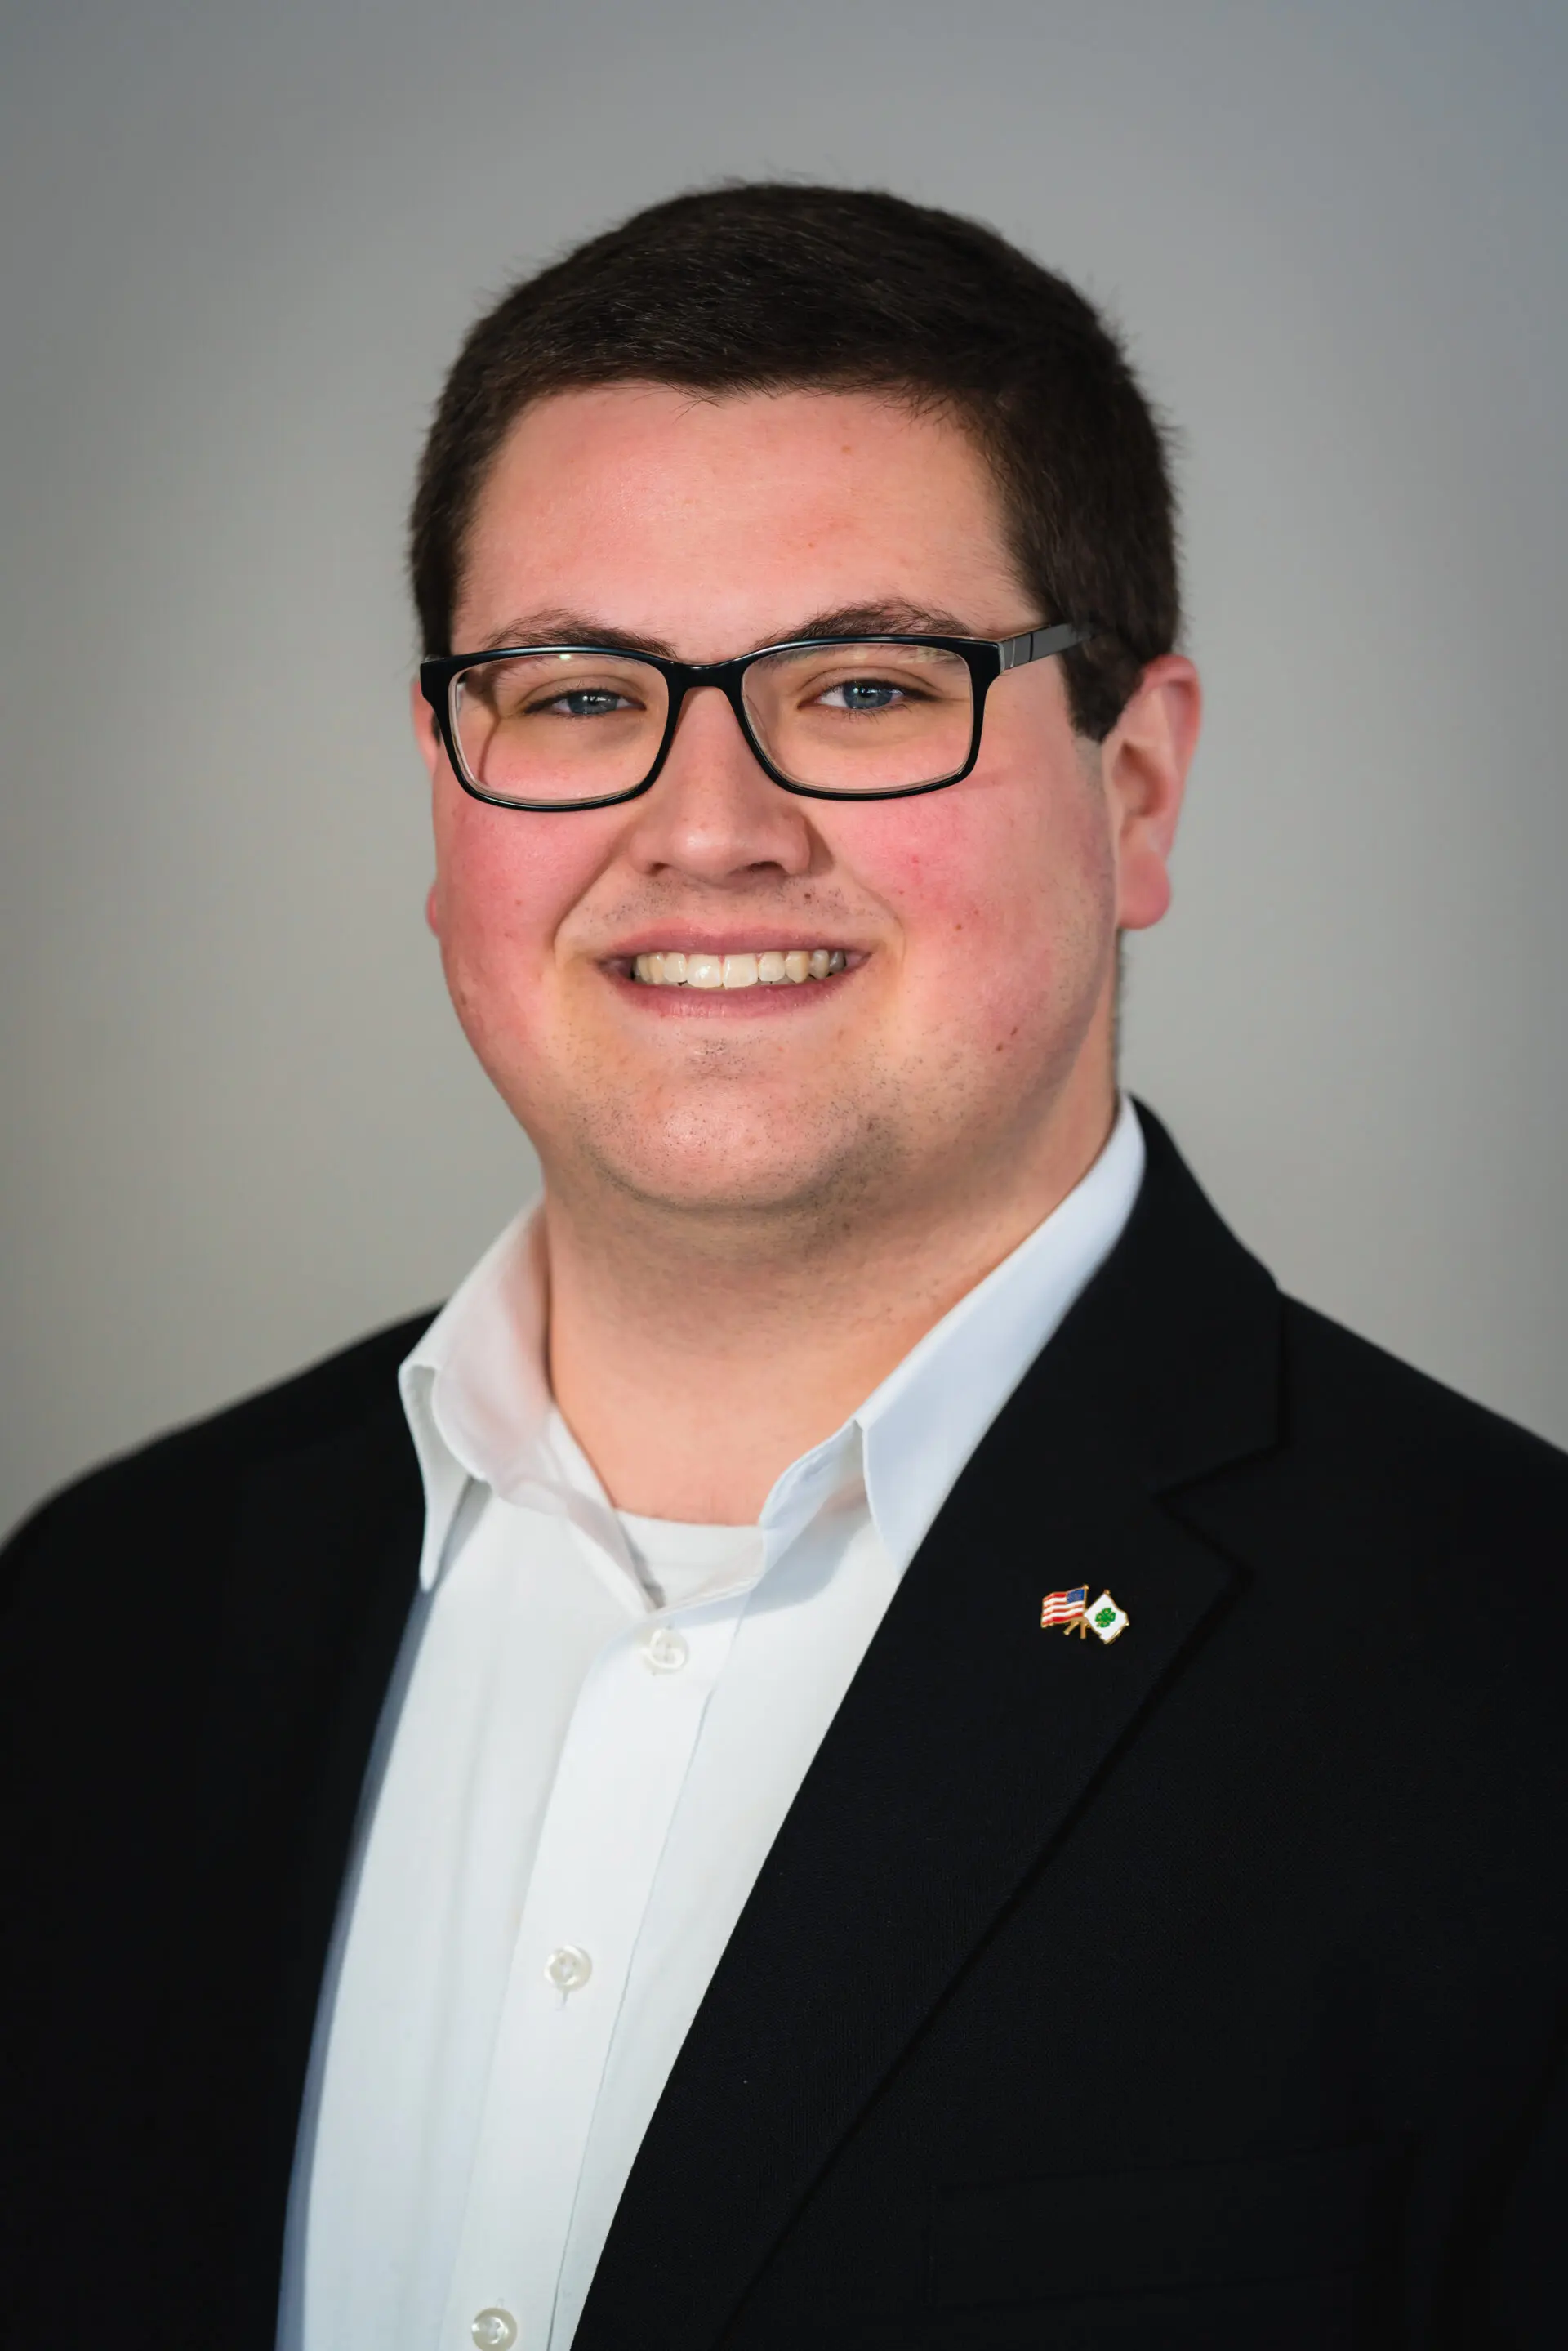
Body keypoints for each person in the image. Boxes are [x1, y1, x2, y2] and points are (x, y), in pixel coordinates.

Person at [2, 182, 1564, 2351]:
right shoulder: (99, 1619)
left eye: (858, 682)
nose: (709, 820)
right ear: (447, 792)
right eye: (571, 694)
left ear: (1136, 788)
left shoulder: (1517, 1690)